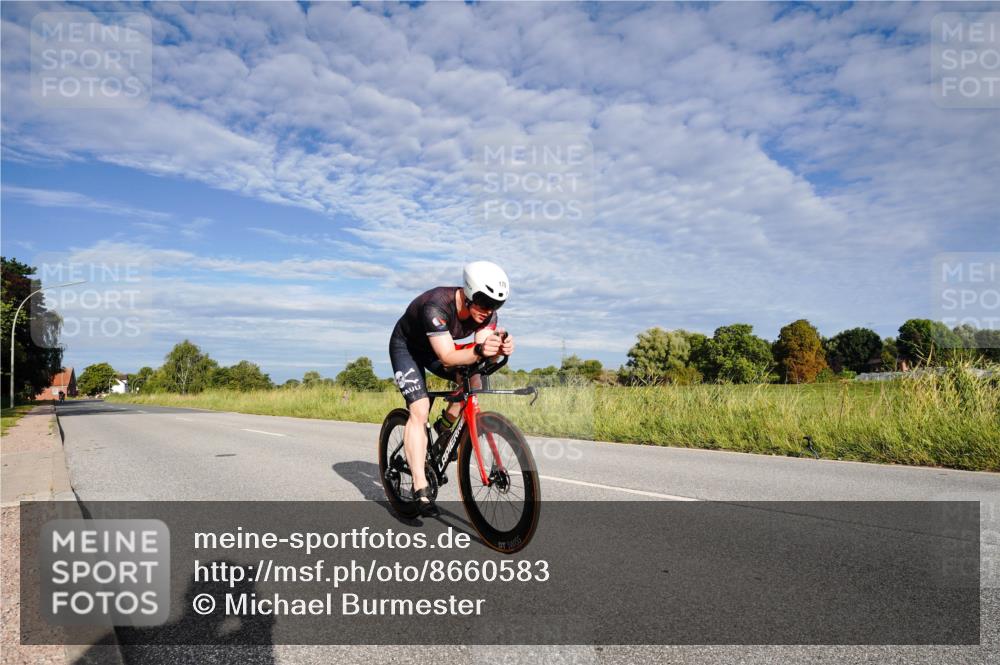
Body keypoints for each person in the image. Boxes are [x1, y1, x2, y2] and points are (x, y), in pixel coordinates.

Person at [388, 261, 515, 516]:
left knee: (473, 381)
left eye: (496, 304)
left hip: (437, 347)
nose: (488, 310)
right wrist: (480, 350)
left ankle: (444, 427)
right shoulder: (436, 305)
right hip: (408, 348)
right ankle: (420, 485)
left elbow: (481, 352)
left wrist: (498, 349)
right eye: (483, 301)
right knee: (420, 408)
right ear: (468, 292)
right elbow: (447, 356)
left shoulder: (487, 314)